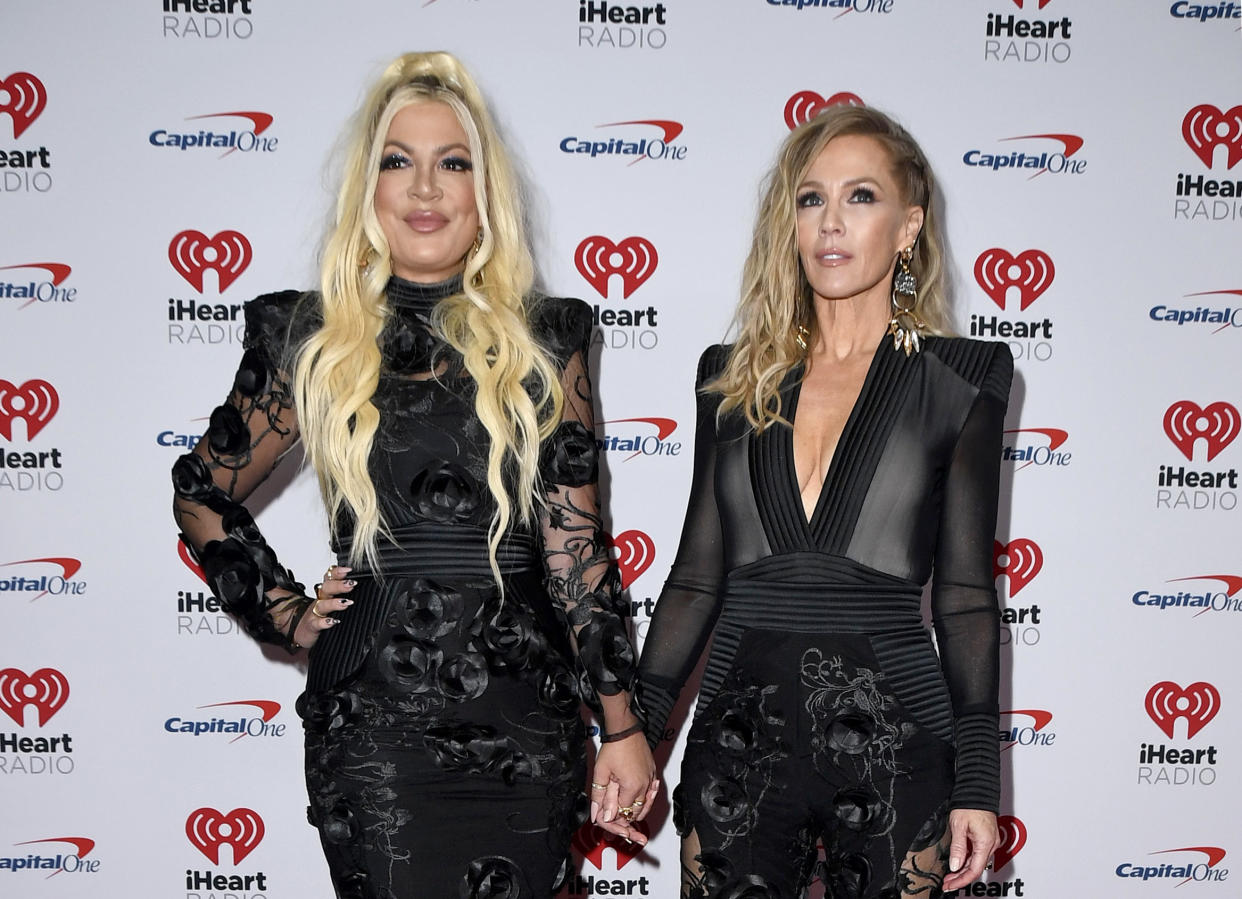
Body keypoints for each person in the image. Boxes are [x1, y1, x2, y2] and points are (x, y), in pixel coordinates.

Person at [172, 51, 656, 899]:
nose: (425, 188)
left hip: (527, 723)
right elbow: (201, 488)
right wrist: (281, 608)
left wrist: (621, 725)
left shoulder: (548, 339)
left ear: (484, 194)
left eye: (452, 163)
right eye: (398, 161)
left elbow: (576, 548)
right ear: (368, 190)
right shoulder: (307, 338)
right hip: (373, 726)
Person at [637, 105, 1010, 899]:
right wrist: (632, 729)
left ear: (908, 227)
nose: (831, 224)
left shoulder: (961, 377)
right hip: (737, 741)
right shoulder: (730, 377)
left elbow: (969, 594)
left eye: (860, 197)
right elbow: (698, 576)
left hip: (899, 745)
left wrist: (979, 778)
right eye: (811, 200)